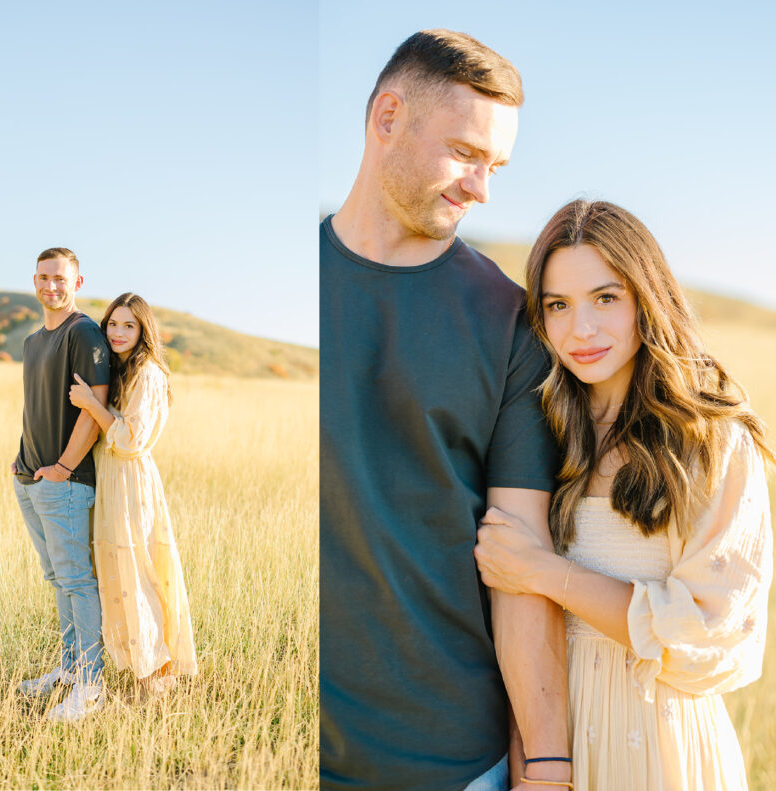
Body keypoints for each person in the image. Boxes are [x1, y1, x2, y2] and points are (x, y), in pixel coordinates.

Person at [321, 30, 571, 791]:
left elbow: (519, 559)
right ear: (387, 118)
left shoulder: (509, 321)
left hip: (455, 764)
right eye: (466, 153)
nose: (481, 187)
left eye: (495, 166)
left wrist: (550, 762)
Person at [475, 199, 776, 790]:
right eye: (558, 306)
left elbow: (715, 631)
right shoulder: (540, 432)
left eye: (606, 298)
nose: (581, 330)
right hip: (549, 746)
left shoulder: (711, 438)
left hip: (663, 748)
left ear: (647, 296)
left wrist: (543, 572)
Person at [68, 292, 197, 696]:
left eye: (129, 325)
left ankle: (156, 677)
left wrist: (91, 404)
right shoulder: (121, 370)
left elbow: (129, 439)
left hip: (130, 480)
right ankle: (146, 670)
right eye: (113, 324)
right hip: (111, 481)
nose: (118, 332)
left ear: (143, 331)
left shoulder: (149, 374)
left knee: (138, 574)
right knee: (119, 573)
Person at [12, 246, 111, 721]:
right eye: (44, 278)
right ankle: (70, 669)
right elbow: (37, 407)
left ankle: (90, 685)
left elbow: (94, 408)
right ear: (35, 281)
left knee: (76, 580)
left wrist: (65, 468)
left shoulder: (84, 333)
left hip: (67, 482)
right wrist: (22, 463)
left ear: (78, 283)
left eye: (61, 278)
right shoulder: (33, 341)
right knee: (57, 579)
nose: (52, 286)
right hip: (29, 477)